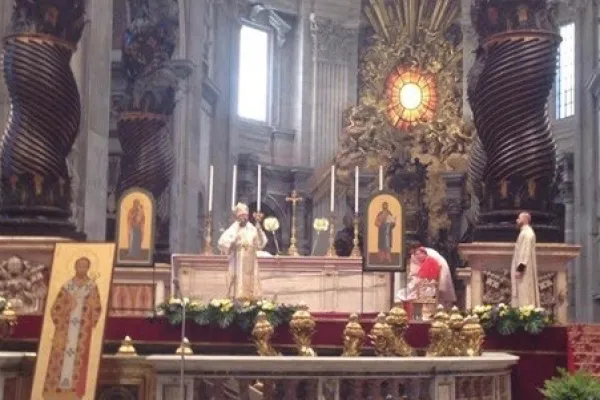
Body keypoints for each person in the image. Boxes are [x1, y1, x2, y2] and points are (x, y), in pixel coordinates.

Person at [43, 257, 102, 399]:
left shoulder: (92, 287)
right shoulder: (67, 286)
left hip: (81, 333)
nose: (82, 269)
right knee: (60, 359)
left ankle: (75, 392)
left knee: (78, 361)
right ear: (75, 267)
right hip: (65, 331)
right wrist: (67, 309)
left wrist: (86, 313)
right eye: (79, 266)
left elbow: (97, 308)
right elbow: (55, 309)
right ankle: (54, 392)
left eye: (85, 266)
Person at [218, 202, 268, 300]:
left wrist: (259, 229)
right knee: (237, 281)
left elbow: (261, 243)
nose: (243, 218)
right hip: (237, 260)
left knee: (250, 282)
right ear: (237, 217)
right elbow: (222, 243)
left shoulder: (253, 229)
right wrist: (235, 234)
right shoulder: (233, 229)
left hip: (251, 261)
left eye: (245, 215)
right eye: (241, 216)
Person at [511, 211, 540, 307]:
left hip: (524, 271)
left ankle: (525, 317)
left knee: (525, 294)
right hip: (523, 270)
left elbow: (525, 252)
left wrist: (520, 269)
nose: (517, 220)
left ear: (524, 220)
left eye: (519, 218)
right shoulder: (524, 232)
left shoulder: (527, 233)